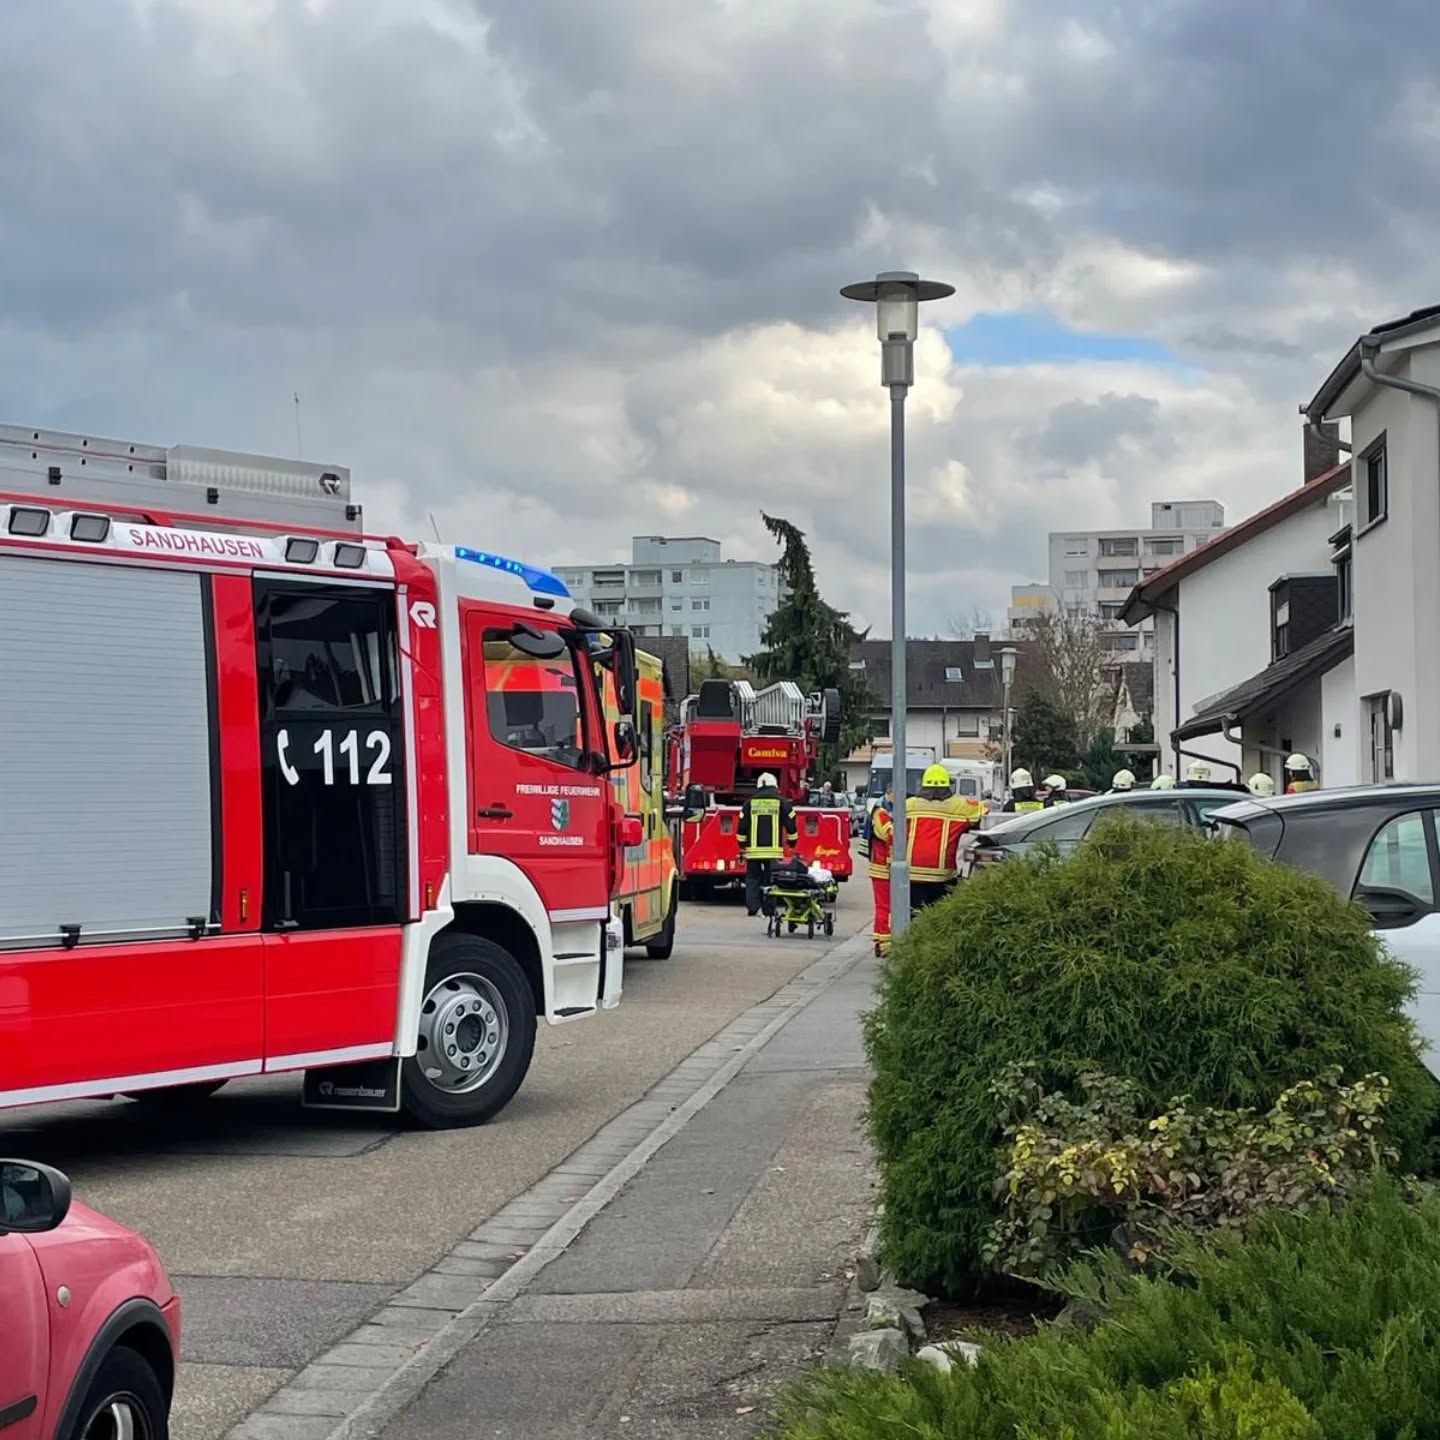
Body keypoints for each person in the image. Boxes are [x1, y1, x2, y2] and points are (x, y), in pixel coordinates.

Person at [905, 763, 986, 912]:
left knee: (913, 914)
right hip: (942, 875)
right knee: (939, 915)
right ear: (948, 786)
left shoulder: (908, 805)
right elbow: (984, 810)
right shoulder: (960, 806)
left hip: (911, 873)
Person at [738, 771, 797, 917]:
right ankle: (769, 910)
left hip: (753, 851)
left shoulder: (749, 803)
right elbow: (791, 822)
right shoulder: (782, 802)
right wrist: (792, 841)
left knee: (752, 878)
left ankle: (752, 908)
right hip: (773, 851)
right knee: (770, 879)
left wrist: (742, 844)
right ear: (774, 785)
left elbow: (742, 826)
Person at [867, 786, 894, 957]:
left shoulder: (886, 809)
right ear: (890, 793)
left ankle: (881, 939)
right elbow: (889, 833)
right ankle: (883, 944)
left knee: (886, 906)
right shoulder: (881, 811)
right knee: (885, 906)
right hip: (882, 868)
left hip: (884, 867)